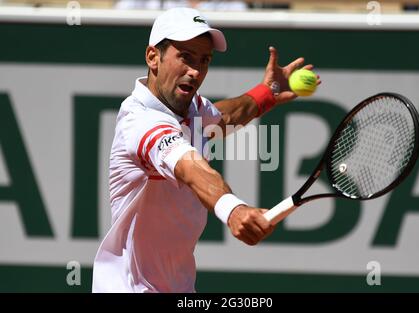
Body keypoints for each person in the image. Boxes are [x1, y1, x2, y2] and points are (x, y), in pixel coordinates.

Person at [92, 7, 319, 293]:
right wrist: (233, 210)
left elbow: (223, 118)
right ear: (153, 58)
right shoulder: (140, 121)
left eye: (204, 60)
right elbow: (191, 169)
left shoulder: (191, 107)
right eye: (185, 57)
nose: (196, 71)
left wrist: (266, 94)